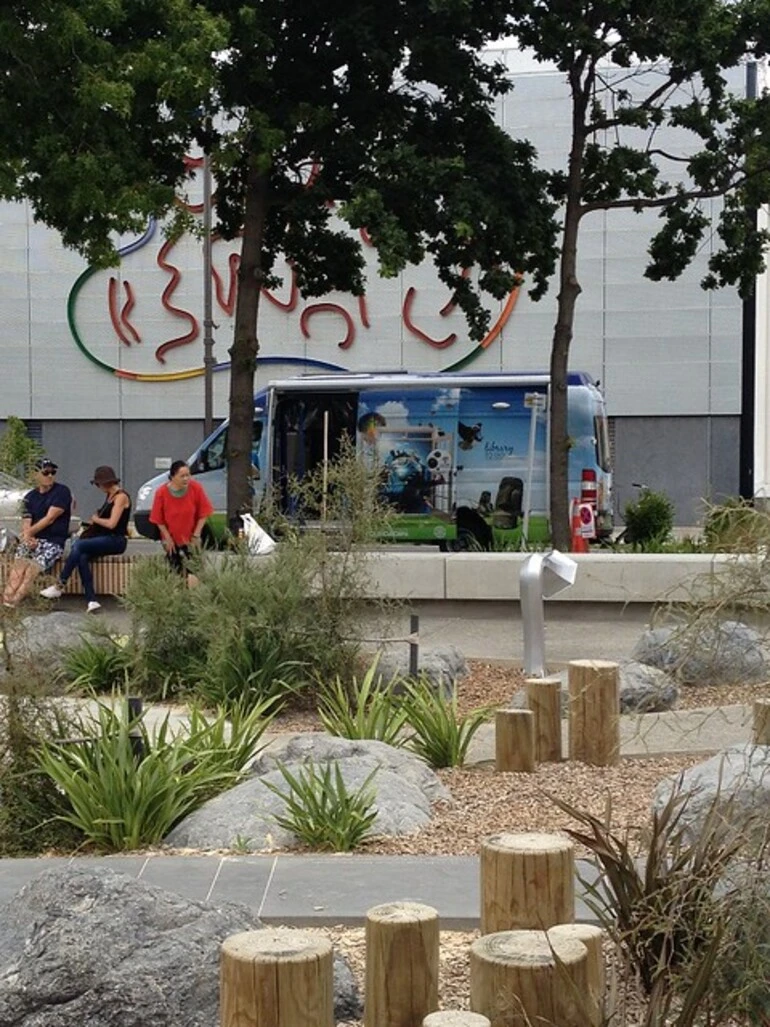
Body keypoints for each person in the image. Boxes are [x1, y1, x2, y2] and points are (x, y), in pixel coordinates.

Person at [40, 465, 131, 614]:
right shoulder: (109, 496)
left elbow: (112, 523)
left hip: (116, 540)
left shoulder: (121, 497)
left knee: (79, 545)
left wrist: (95, 519)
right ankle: (91, 600)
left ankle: (60, 584)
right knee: (82, 556)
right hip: (104, 537)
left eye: (98, 484)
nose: (98, 487)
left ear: (104, 483)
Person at [1, 458, 72, 609]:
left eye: (53, 472)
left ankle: (12, 605)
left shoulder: (62, 491)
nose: (50, 475)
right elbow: (27, 520)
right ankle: (6, 603)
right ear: (35, 474)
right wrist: (28, 538)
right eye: (46, 472)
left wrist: (28, 535)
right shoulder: (30, 497)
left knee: (30, 572)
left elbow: (50, 518)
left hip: (52, 542)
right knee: (17, 570)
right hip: (32, 538)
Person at [149, 459, 213, 583]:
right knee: (175, 570)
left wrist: (196, 534)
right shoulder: (161, 493)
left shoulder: (195, 488)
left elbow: (204, 512)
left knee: (194, 569)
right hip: (172, 536)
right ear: (172, 477)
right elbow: (158, 519)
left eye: (188, 475)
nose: (186, 479)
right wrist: (167, 538)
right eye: (182, 476)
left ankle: (195, 597)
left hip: (192, 535)